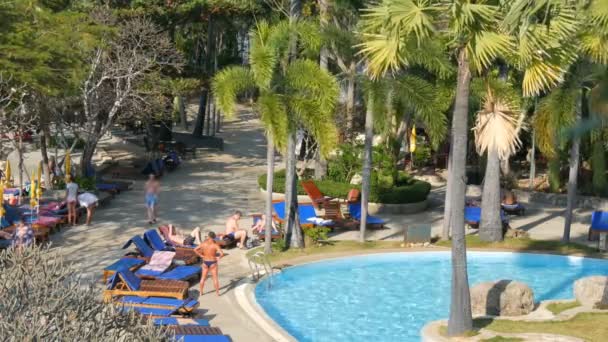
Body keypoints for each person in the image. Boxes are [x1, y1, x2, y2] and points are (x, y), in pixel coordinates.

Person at [194, 231, 224, 296]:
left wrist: (200, 255)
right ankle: (217, 293)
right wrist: (218, 258)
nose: (206, 237)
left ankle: (201, 292)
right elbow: (222, 254)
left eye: (207, 236)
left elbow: (195, 249)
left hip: (205, 262)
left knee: (203, 278)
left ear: (209, 237)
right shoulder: (215, 245)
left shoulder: (203, 244)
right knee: (215, 278)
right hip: (213, 262)